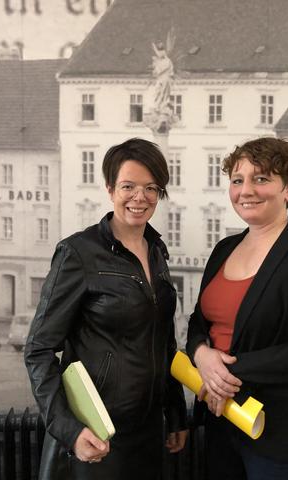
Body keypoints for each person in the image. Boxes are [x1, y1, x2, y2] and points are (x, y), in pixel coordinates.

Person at [185, 137, 288, 480]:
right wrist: (201, 354)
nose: (246, 190)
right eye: (237, 180)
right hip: (220, 422)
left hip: (283, 431)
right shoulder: (223, 249)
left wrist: (227, 372)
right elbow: (199, 322)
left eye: (261, 179)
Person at [25, 138, 188, 480]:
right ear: (110, 189)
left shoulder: (157, 251)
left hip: (149, 430)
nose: (139, 197)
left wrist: (174, 413)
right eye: (128, 186)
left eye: (151, 188)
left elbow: (163, 342)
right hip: (97, 432)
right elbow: (38, 350)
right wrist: (69, 429)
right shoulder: (78, 253)